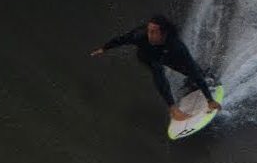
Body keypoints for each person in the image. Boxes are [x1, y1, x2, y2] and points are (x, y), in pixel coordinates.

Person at [90, 15, 221, 121]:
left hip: (167, 54)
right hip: (147, 55)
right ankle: (173, 109)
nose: (149, 35)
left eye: (153, 32)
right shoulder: (140, 35)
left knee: (194, 72)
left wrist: (210, 100)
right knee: (157, 69)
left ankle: (197, 82)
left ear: (163, 33)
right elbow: (122, 39)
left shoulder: (176, 46)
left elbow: (192, 67)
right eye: (149, 31)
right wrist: (104, 48)